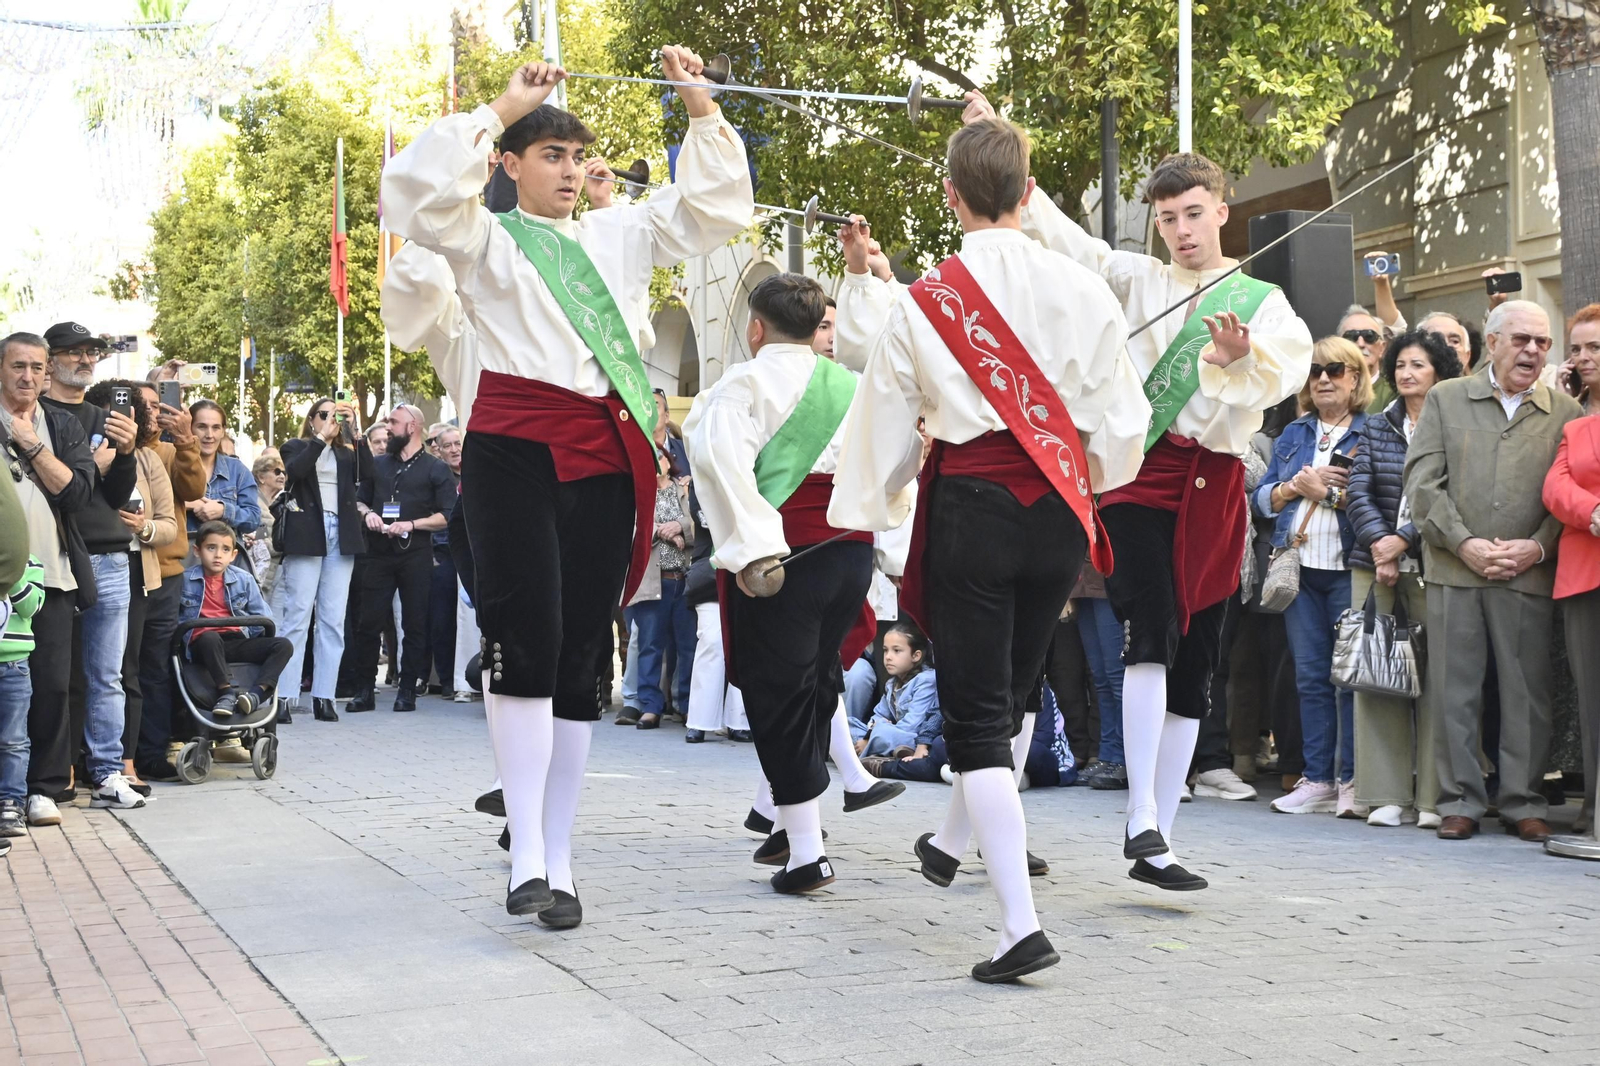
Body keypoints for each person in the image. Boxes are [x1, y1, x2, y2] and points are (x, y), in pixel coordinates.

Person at [382, 48, 753, 925]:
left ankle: (560, 856)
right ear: (509, 164)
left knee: (584, 645)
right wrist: (499, 109)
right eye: (550, 155)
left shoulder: (619, 235)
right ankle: (526, 859)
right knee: (526, 636)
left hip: (604, 452)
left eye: (577, 157)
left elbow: (714, 209)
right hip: (512, 451)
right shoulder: (484, 237)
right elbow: (413, 198)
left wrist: (699, 106)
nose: (569, 170)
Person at [830, 102, 1149, 982]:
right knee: (1007, 691)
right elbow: (1123, 425)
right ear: (1028, 189)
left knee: (975, 716)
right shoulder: (1084, 288)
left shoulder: (925, 301)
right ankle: (949, 843)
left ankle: (1018, 925)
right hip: (1059, 509)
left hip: (972, 504)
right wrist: (1089, 475)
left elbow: (885, 426)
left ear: (951, 195)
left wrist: (874, 504)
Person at [1016, 134, 1310, 891]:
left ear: (1222, 211)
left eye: (1193, 213)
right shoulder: (1137, 279)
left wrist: (1240, 358)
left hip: (1216, 482)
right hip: (1140, 476)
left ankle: (1158, 842)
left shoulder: (1262, 301)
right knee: (1150, 628)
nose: (1181, 230)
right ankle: (1141, 811)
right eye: (1168, 218)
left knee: (1197, 655)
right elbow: (1071, 245)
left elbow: (1286, 368)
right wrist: (1014, 169)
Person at [685, 271, 905, 897]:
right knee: (813, 684)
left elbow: (723, 468)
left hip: (782, 555)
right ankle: (784, 825)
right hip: (848, 553)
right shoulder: (853, 386)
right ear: (815, 328)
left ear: (756, 328)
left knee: (780, 698)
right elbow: (889, 465)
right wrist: (886, 549)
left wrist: (751, 549)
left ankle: (808, 853)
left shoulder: (741, 384)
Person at [1407, 299, 1583, 841]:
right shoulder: (1446, 397)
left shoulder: (1566, 412)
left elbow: (1570, 491)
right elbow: (1422, 483)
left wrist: (1538, 547)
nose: (1533, 350)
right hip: (1454, 570)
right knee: (1454, 691)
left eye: (1542, 342)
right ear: (1493, 342)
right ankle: (1459, 800)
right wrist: (1464, 544)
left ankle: (1523, 801)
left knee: (1527, 694)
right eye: (1521, 339)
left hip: (1526, 573)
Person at [1346, 331, 1461, 828]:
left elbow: (1452, 493)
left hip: (1438, 562)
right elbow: (1357, 490)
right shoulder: (1377, 425)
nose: (1407, 373)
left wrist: (1405, 540)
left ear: (1440, 371)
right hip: (1374, 563)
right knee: (1377, 675)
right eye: (1400, 365)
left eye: (1418, 364)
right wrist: (1380, 544)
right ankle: (1386, 795)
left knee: (1438, 681)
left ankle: (1434, 799)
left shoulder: (1455, 422)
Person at [1256, 337, 1371, 817]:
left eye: (1336, 370)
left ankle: (1352, 781)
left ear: (1356, 377)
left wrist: (1325, 494)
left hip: (1349, 569)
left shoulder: (1373, 430)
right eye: (1315, 371)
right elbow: (1261, 499)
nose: (1324, 379)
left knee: (1349, 680)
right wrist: (1292, 487)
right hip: (1299, 570)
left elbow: (1381, 499)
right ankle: (1318, 778)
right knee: (1310, 678)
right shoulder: (1294, 433)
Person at [39, 324, 145, 810]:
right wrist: (89, 466)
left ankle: (107, 771)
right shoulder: (35, 417)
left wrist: (125, 454)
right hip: (56, 554)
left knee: (107, 675)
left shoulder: (107, 416)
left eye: (92, 353)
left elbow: (118, 496)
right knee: (53, 675)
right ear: (51, 359)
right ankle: (53, 774)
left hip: (110, 554)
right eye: (74, 352)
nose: (85, 360)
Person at [0, 333, 97, 827]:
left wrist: (32, 444)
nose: (28, 376)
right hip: (2, 581)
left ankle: (44, 788)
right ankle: (7, 793)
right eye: (18, 366)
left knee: (52, 687)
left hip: (53, 577)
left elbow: (77, 494)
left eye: (37, 368)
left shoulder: (60, 424)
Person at [84, 380, 178, 790]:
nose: (118, 419)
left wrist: (144, 527)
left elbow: (170, 526)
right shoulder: (80, 451)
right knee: (80, 672)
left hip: (137, 571)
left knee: (126, 671)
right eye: (108, 412)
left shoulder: (147, 459)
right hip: (84, 564)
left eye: (126, 412)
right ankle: (76, 764)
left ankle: (125, 762)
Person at [348, 404, 454, 713]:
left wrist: (411, 524)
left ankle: (408, 689)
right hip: (378, 553)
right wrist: (368, 514)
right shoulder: (378, 464)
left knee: (415, 623)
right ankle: (364, 690)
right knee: (368, 623)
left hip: (416, 555)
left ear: (412, 427)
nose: (388, 427)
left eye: (394, 422)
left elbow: (447, 515)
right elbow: (358, 500)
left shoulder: (436, 468)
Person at [1542, 303, 1600, 833]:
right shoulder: (1574, 422)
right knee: (1591, 696)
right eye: (1577, 348)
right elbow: (1556, 486)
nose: (1583, 357)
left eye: (1595, 347)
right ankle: (1595, 805)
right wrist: (1593, 511)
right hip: (1585, 567)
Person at [131, 390, 206, 783]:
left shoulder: (170, 449)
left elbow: (194, 490)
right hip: (126, 570)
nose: (152, 411)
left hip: (166, 572)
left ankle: (152, 753)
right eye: (144, 404)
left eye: (157, 404)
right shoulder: (113, 447)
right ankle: (116, 757)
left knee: (156, 667)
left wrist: (187, 439)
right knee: (121, 667)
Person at [274, 397, 362, 723]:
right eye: (324, 414)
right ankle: (284, 696)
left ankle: (325, 696)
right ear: (311, 419)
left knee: (332, 620)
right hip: (307, 533)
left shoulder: (346, 453)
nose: (331, 420)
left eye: (336, 415)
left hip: (341, 533)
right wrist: (322, 438)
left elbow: (369, 473)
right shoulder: (295, 446)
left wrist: (355, 429)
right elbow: (295, 472)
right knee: (297, 617)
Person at [179, 522, 293, 717]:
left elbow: (263, 618)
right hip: (203, 646)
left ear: (233, 555)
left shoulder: (244, 579)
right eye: (211, 548)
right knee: (210, 637)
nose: (218, 555)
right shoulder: (184, 580)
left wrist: (251, 632)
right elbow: (175, 619)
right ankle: (226, 693)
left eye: (225, 550)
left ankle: (256, 695)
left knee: (283, 645)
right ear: (197, 551)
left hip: (235, 641)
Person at [627, 450, 696, 730]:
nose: (656, 462)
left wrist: (680, 527)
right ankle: (650, 706)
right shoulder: (637, 491)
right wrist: (659, 532)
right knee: (650, 645)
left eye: (660, 456)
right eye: (650, 456)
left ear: (670, 462)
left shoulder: (686, 490)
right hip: (654, 580)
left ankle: (687, 705)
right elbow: (630, 528)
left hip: (685, 579)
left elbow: (700, 522)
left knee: (688, 647)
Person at [0, 552, 45, 837]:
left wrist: (11, 570)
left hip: (14, 664)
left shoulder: (29, 562)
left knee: (13, 740)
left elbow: (31, 607)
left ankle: (11, 803)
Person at [849, 623, 939, 758]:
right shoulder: (892, 684)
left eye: (896, 651)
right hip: (891, 733)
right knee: (846, 725)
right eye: (886, 650)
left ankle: (865, 750)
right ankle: (878, 750)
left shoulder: (926, 680)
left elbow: (912, 725)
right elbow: (878, 715)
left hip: (914, 738)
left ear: (916, 656)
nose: (888, 657)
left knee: (882, 733)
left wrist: (874, 733)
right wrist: (874, 728)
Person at [424, 423, 463, 696]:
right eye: (447, 445)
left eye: (457, 443)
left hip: (472, 554)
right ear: (438, 449)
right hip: (443, 553)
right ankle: (447, 680)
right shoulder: (435, 477)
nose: (454, 450)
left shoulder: (476, 473)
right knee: (442, 620)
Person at [186, 399, 260, 541]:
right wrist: (184, 504)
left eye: (216, 428)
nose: (209, 435)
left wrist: (223, 510)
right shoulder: (174, 465)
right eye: (202, 427)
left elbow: (254, 519)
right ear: (189, 428)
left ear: (223, 431)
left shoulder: (237, 470)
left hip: (226, 552)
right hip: (184, 551)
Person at [247, 455, 285, 602]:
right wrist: (286, 544)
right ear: (261, 477)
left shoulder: (274, 504)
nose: (282, 476)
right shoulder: (256, 505)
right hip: (259, 578)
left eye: (283, 472)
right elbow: (259, 541)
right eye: (276, 471)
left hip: (272, 575)